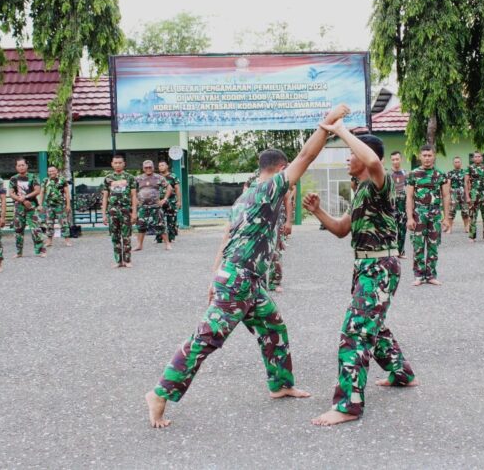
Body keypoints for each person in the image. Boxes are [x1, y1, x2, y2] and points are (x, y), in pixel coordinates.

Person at [144, 104, 350, 429]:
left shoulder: (246, 196)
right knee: (207, 338)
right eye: (289, 172)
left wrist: (214, 276)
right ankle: (160, 393)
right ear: (281, 168)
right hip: (239, 279)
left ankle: (281, 384)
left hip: (245, 279)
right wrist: (326, 125)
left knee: (273, 327)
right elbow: (307, 157)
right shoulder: (269, 189)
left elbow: (226, 237)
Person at [304, 121, 417, 427]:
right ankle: (402, 373)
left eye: (349, 154)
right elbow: (342, 230)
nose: (347, 159)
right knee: (373, 325)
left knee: (355, 331)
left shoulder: (382, 184)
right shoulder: (360, 191)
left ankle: (347, 405)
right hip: (366, 266)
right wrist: (318, 212)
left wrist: (339, 130)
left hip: (379, 267)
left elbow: (370, 160)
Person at [406, 145, 450, 286]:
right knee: (418, 245)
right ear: (420, 156)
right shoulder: (413, 174)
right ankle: (418, 275)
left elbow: (446, 196)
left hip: (435, 213)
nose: (427, 158)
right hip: (419, 212)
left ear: (434, 156)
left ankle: (431, 275)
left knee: (433, 245)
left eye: (429, 155)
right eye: (424, 155)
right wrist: (410, 217)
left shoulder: (440, 175)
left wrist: (446, 217)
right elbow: (409, 197)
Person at [100, 154, 137, 268]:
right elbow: (105, 197)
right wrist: (104, 214)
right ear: (112, 164)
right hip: (112, 211)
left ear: (124, 164)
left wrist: (134, 213)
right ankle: (118, 261)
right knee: (115, 237)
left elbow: (134, 196)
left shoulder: (130, 177)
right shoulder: (108, 178)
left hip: (126, 210)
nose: (118, 165)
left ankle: (127, 260)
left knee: (126, 236)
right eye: (115, 163)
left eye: (120, 162)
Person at [8, 158, 46, 258]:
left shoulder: (33, 177)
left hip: (31, 206)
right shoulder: (13, 178)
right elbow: (11, 193)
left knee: (36, 229)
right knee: (18, 230)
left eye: (23, 165)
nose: (21, 167)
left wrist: (26, 197)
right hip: (19, 207)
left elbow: (37, 190)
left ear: (26, 166)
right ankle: (19, 252)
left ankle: (40, 250)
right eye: (19, 165)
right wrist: (22, 200)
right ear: (16, 167)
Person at [134, 160, 171, 251]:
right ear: (143, 168)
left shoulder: (159, 178)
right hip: (143, 207)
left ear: (153, 167)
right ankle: (139, 245)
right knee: (141, 226)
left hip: (156, 206)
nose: (148, 169)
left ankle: (167, 244)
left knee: (161, 225)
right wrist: (135, 200)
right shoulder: (138, 178)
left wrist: (164, 199)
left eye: (150, 167)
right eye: (146, 167)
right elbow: (132, 191)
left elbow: (169, 187)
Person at [268, 184, 293, 293]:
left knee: (276, 251)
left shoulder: (279, 179)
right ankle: (258, 282)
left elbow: (287, 199)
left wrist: (288, 222)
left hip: (276, 222)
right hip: (258, 221)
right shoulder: (254, 178)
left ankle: (274, 282)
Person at [39, 165, 73, 248]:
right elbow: (42, 192)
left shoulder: (62, 180)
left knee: (64, 223)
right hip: (49, 206)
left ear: (56, 171)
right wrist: (40, 205)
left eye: (53, 171)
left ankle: (67, 240)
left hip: (60, 205)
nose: (51, 172)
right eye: (50, 171)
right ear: (48, 172)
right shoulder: (45, 180)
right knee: (49, 224)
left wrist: (68, 205)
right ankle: (49, 241)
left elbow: (67, 193)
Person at [465, 152, 484, 242]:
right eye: (475, 157)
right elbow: (466, 182)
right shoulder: (469, 168)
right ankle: (472, 237)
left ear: (482, 158)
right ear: (473, 158)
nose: (477, 158)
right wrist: (467, 197)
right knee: (473, 217)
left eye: (479, 156)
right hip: (473, 195)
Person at [156, 160, 182, 246]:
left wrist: (179, 201)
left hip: (171, 201)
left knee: (172, 220)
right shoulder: (157, 177)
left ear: (167, 166)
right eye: (159, 166)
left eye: (162, 165)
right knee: (159, 219)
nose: (161, 167)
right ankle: (159, 238)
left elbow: (177, 189)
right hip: (159, 201)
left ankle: (171, 237)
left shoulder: (173, 176)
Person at [389, 151, 408, 257]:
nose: (395, 161)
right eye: (393, 159)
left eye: (397, 159)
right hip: (390, 207)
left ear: (401, 159)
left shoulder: (406, 174)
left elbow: (410, 192)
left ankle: (400, 251)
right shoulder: (387, 175)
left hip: (403, 206)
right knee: (390, 230)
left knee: (402, 230)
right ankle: (391, 251)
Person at [446, 156, 469, 234]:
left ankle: (466, 227)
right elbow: (448, 184)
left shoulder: (465, 172)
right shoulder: (450, 173)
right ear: (453, 163)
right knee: (451, 211)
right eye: (455, 162)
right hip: (453, 193)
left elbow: (467, 183)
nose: (457, 163)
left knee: (465, 211)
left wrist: (468, 194)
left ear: (461, 163)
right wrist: (448, 195)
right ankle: (450, 228)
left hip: (463, 193)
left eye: (458, 161)